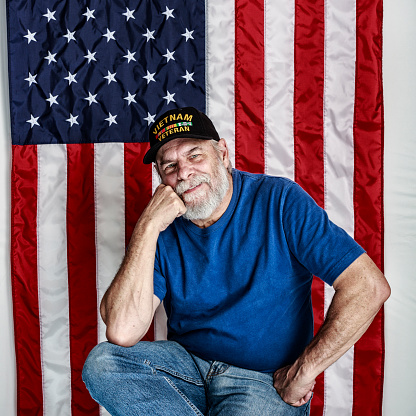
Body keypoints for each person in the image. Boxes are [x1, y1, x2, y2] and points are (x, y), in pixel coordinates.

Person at [82, 107, 390, 415]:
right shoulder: (161, 228)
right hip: (188, 371)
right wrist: (147, 226)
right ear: (162, 178)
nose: (184, 173)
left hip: (263, 381)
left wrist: (304, 370)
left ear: (223, 153)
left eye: (194, 156)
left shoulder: (279, 199)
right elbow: (123, 332)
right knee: (102, 363)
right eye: (170, 165)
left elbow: (367, 286)